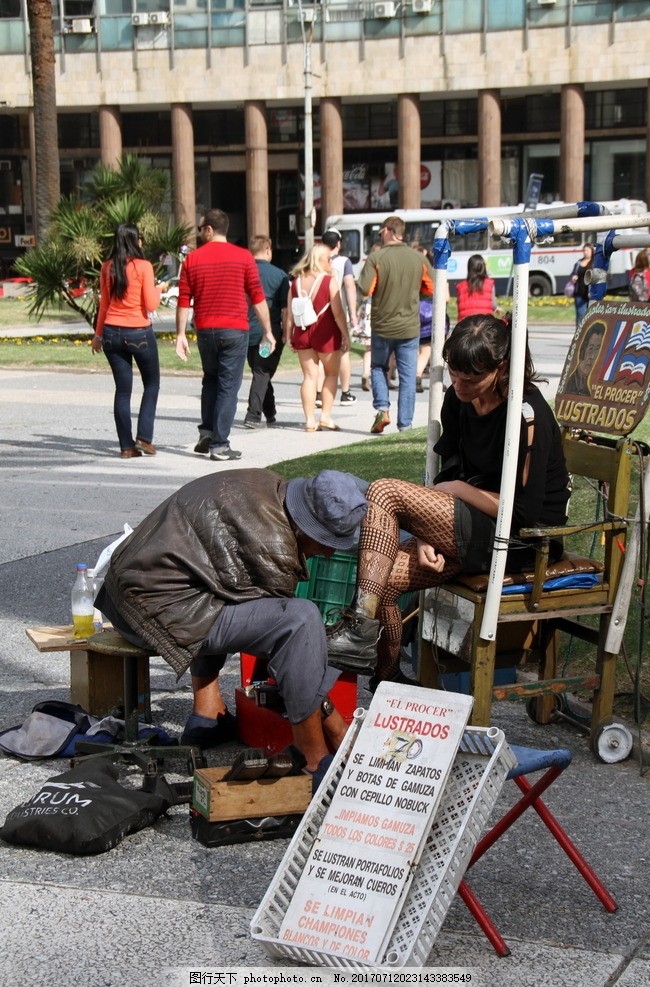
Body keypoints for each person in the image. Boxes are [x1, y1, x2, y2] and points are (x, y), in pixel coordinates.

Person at [326, 314, 570, 689]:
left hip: (520, 540)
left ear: (501, 369)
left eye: (470, 379)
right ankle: (387, 678)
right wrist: (427, 535)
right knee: (386, 580)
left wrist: (456, 489)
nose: (458, 385)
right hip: (465, 525)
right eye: (454, 375)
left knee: (383, 490)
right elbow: (446, 472)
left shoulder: (527, 413)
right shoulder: (459, 400)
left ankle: (359, 627)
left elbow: (524, 512)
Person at [95, 469, 368, 781]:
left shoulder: (267, 485)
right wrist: (335, 725)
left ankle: (207, 714)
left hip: (125, 593)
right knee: (300, 619)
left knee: (224, 589)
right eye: (327, 541)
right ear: (306, 530)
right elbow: (291, 646)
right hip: (149, 613)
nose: (331, 552)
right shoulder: (273, 543)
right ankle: (314, 758)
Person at [175, 209, 274, 462]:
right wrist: (268, 331)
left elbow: (183, 301)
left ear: (209, 229)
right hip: (234, 329)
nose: (199, 234)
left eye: (200, 229)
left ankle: (206, 432)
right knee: (228, 387)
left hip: (206, 330)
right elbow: (257, 298)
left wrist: (180, 334)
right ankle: (219, 445)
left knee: (210, 379)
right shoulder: (243, 257)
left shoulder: (192, 260)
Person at [91, 223, 166, 459]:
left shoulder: (107, 267)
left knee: (122, 392)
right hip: (139, 332)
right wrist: (160, 289)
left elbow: (104, 304)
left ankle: (126, 447)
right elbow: (151, 304)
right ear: (135, 241)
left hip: (112, 332)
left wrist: (97, 334)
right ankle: (144, 437)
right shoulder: (143, 266)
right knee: (151, 384)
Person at [357, 216, 434, 434]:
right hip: (410, 327)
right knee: (408, 377)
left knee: (379, 367)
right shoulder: (418, 258)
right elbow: (431, 288)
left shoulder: (376, 258)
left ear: (389, 231)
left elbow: (365, 289)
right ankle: (405, 425)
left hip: (383, 326)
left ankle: (382, 409)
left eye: (381, 232)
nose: (380, 236)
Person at [285, 243, 351, 432]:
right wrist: (345, 335)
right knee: (331, 374)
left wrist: (289, 336)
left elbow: (290, 313)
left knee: (309, 377)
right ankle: (325, 417)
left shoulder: (296, 281)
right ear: (319, 260)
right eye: (328, 259)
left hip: (302, 331)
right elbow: (338, 312)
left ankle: (309, 420)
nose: (331, 262)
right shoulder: (329, 280)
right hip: (326, 332)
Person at [243, 235, 290, 429]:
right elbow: (285, 309)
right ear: (268, 249)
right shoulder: (280, 276)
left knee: (260, 371)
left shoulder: (243, 272)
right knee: (262, 372)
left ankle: (270, 412)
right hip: (269, 333)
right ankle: (253, 415)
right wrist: (287, 333)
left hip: (246, 332)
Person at [317, 228, 359, 406]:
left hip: (318, 313)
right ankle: (346, 392)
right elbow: (349, 286)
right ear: (339, 244)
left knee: (319, 353)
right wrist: (353, 313)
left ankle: (318, 393)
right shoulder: (344, 262)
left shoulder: (316, 261)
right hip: (338, 310)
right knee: (343, 351)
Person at [565, 322, 605, 396]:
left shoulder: (591, 382)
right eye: (590, 348)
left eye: (597, 349)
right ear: (583, 348)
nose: (592, 356)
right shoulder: (573, 382)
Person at [454, 253, 496, 322]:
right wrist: (497, 308)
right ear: (483, 267)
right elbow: (493, 305)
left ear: (469, 268)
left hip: (465, 325)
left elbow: (459, 307)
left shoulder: (460, 286)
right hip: (485, 323)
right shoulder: (490, 283)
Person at [569, 243, 595, 326]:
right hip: (579, 292)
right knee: (580, 315)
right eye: (584, 250)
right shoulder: (578, 263)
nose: (585, 252)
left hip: (591, 293)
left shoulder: (594, 263)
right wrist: (574, 277)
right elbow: (573, 273)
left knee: (591, 316)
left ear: (592, 251)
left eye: (587, 250)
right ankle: (579, 335)